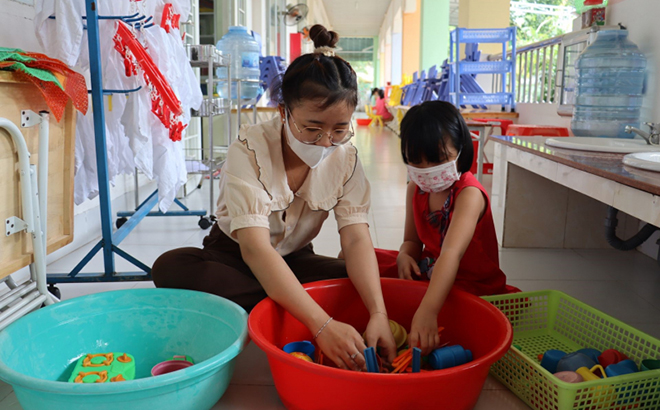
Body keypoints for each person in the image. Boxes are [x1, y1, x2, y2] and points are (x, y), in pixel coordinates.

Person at [151, 24, 397, 371]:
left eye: (339, 130)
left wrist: (378, 312)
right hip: (234, 257)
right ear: (283, 112)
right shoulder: (249, 149)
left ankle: (275, 307)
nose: (327, 141)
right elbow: (254, 248)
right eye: (312, 129)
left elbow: (356, 238)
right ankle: (302, 307)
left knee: (367, 281)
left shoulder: (346, 158)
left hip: (295, 258)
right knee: (172, 266)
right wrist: (322, 324)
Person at [374, 101, 520, 355]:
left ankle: (422, 306)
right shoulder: (415, 189)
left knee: (424, 305)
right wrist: (404, 256)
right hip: (429, 269)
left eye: (438, 160)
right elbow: (411, 241)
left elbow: (451, 255)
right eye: (415, 162)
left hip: (468, 283)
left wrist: (428, 312)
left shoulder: (469, 194)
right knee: (359, 261)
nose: (427, 171)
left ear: (461, 149)